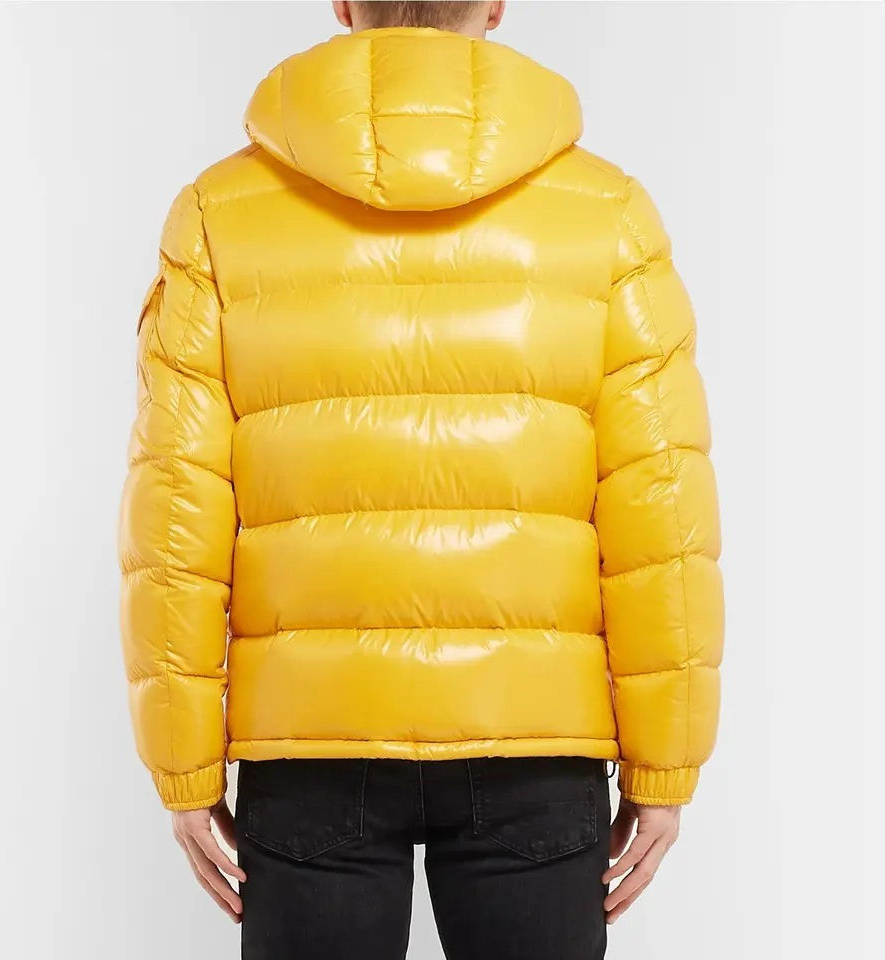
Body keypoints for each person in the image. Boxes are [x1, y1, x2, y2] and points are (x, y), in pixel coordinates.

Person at [118, 2, 724, 956]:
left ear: (341, 3)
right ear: (496, 5)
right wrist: (666, 761)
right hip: (536, 737)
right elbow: (660, 510)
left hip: (310, 741)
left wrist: (182, 765)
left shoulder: (216, 215)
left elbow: (174, 512)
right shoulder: (607, 214)